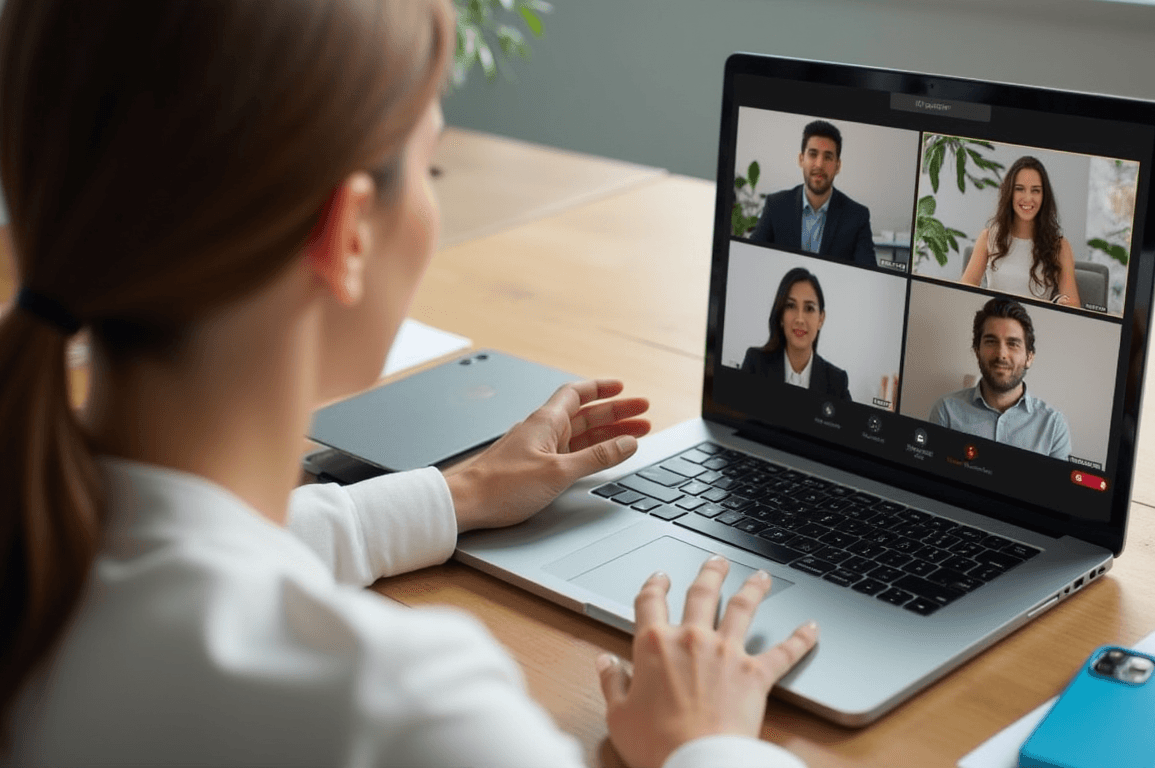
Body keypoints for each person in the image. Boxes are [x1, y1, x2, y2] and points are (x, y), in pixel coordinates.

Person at [0, 2, 818, 767]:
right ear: (347, 233)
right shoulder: (401, 714)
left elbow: (176, 548)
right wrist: (708, 742)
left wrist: (454, 495)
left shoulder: (39, 534)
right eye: (430, 163)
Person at [929, 298, 1071, 459]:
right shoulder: (946, 410)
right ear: (977, 351)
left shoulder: (1053, 425)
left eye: (1013, 344)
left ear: (1029, 357)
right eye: (991, 342)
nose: (1001, 354)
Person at [749, 120, 876, 267]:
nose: (819, 164)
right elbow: (752, 258)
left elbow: (868, 271)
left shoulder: (857, 217)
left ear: (838, 166)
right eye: (813, 154)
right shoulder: (775, 206)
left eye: (828, 157)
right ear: (801, 159)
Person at [959, 156, 1081, 308]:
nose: (1028, 198)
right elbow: (964, 291)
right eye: (1020, 189)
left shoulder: (1060, 246)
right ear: (1010, 192)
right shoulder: (988, 237)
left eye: (1035, 190)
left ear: (1044, 196)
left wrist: (1061, 303)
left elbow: (1073, 305)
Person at [741, 267, 851, 401]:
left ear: (821, 319)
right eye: (791, 306)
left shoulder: (836, 381)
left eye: (809, 308)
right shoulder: (755, 363)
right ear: (781, 315)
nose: (799, 319)